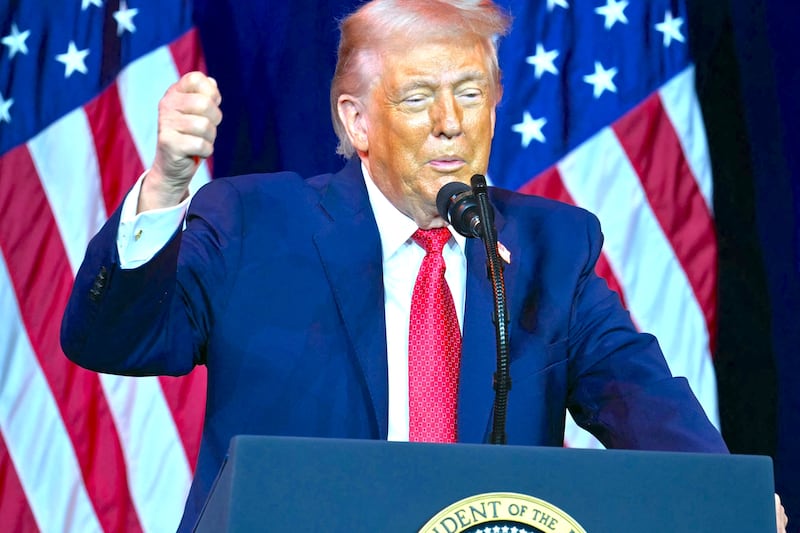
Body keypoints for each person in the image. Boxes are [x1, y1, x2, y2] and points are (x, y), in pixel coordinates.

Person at [60, 0, 788, 531]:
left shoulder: (549, 248)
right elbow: (111, 339)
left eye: (471, 93)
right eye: (418, 97)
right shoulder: (253, 223)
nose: (451, 121)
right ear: (356, 121)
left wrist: (726, 490)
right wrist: (163, 187)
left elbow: (639, 394)